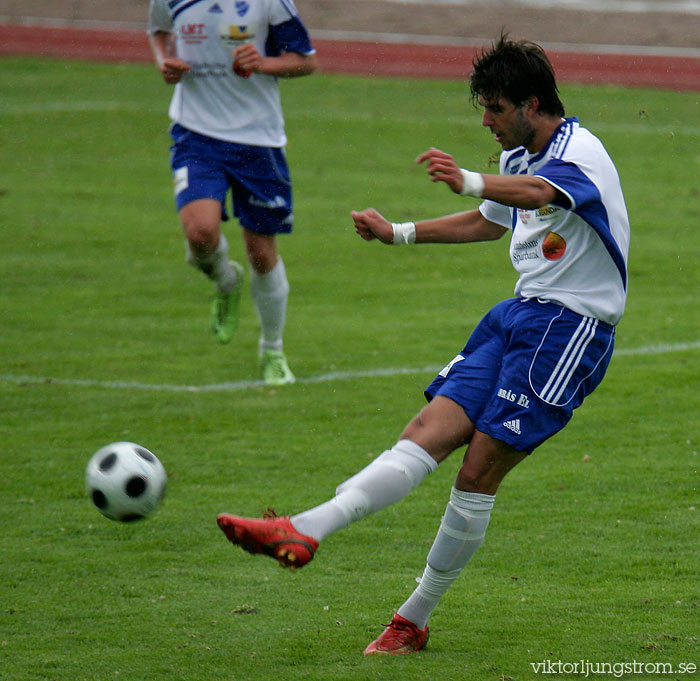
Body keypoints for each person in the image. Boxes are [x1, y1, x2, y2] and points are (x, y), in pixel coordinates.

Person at [217, 35, 630, 654]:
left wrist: (466, 179)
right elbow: (492, 220)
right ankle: (302, 529)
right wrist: (398, 233)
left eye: (494, 108)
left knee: (477, 468)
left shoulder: (580, 152)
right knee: (424, 431)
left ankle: (413, 617)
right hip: (514, 316)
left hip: (568, 330)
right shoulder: (520, 157)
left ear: (532, 102)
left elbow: (542, 196)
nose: (486, 122)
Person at [147, 0, 317, 385]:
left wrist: (264, 63)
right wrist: (164, 59)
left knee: (261, 253)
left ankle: (271, 349)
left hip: (259, 141)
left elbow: (305, 60)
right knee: (199, 234)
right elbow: (158, 31)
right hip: (196, 135)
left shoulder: (270, 3)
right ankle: (225, 280)